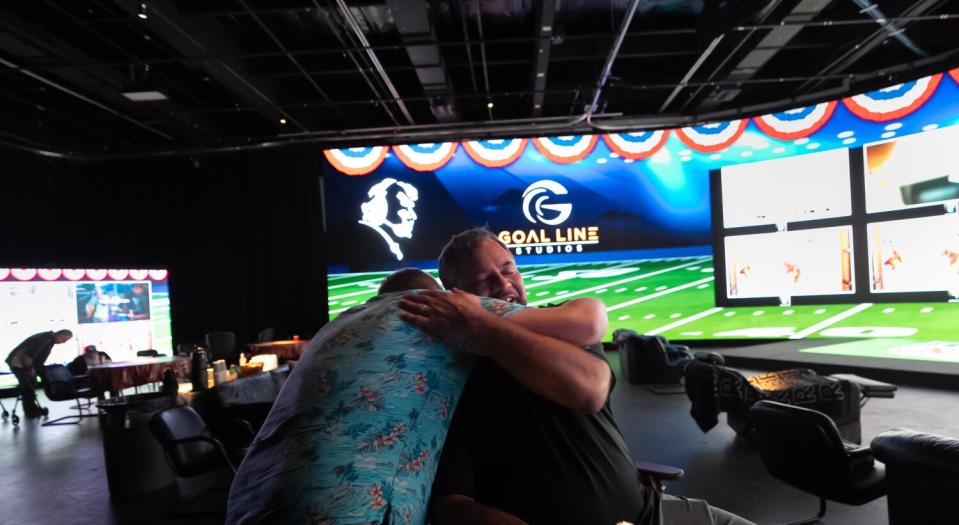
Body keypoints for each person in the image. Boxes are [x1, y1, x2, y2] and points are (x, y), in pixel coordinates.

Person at [403, 228, 753, 525]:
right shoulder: (451, 376)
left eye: (508, 270)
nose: (504, 284)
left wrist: (483, 325)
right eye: (485, 280)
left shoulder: (559, 325)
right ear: (458, 297)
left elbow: (591, 388)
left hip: (650, 512)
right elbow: (451, 503)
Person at [226, 268, 609, 525]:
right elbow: (589, 328)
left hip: (248, 500)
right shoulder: (431, 311)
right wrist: (476, 318)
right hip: (343, 505)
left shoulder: (336, 324)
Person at [5, 329, 73, 418]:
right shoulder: (45, 339)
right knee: (28, 386)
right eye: (64, 340)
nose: (64, 342)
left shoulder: (49, 338)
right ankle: (31, 412)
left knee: (31, 385)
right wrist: (30, 369)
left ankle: (32, 410)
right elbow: (28, 355)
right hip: (19, 364)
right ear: (60, 335)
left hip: (23, 364)